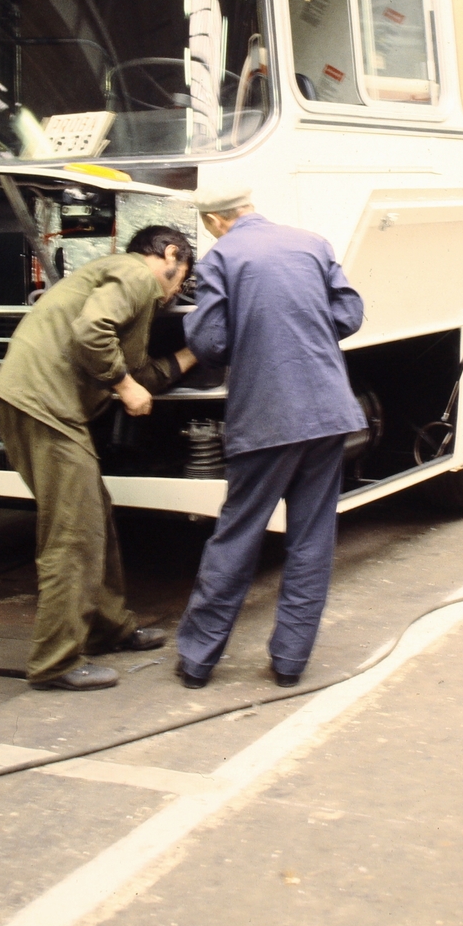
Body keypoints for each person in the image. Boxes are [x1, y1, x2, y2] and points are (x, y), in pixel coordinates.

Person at [0, 225, 197, 691]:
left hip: (37, 401)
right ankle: (55, 662)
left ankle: (108, 628)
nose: (176, 292)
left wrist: (191, 355)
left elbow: (136, 371)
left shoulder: (121, 282)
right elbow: (91, 334)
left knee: (93, 517)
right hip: (44, 405)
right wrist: (124, 387)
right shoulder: (135, 275)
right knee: (73, 533)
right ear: (169, 255)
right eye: (180, 277)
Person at [175, 187, 366, 690]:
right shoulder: (312, 243)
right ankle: (289, 662)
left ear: (216, 220)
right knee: (311, 538)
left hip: (265, 416)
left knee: (237, 534)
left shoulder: (221, 258)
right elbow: (348, 315)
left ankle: (197, 660)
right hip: (327, 411)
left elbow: (211, 341)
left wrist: (255, 339)